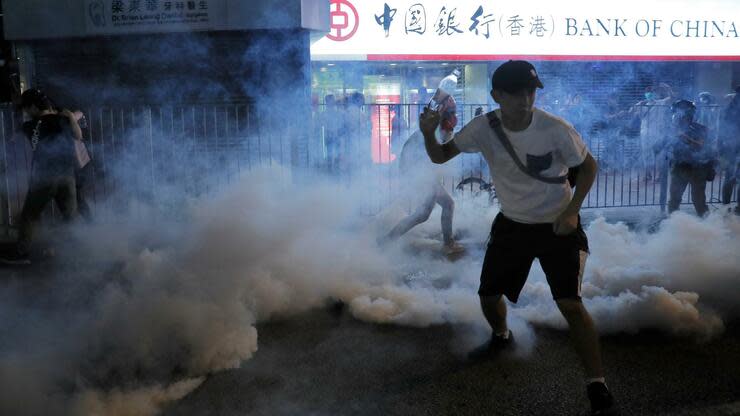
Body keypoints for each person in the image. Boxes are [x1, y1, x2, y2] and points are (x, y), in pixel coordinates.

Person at [419, 60, 616, 416]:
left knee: (570, 304)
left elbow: (588, 167)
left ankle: (597, 385)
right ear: (497, 96)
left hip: (557, 226)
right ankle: (501, 337)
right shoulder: (483, 127)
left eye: (530, 91)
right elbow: (440, 156)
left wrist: (571, 210)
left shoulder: (556, 128)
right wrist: (427, 133)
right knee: (488, 295)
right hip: (511, 224)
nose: (525, 100)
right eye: (515, 93)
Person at [0, 89, 79, 265]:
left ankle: (21, 254)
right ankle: (75, 254)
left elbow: (16, 137)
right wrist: (71, 117)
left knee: (30, 215)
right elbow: (78, 136)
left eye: (27, 109)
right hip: (66, 175)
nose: (26, 112)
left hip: (43, 177)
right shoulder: (62, 119)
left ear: (34, 107)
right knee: (70, 216)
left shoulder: (29, 126)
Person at [380, 95, 463, 255]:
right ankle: (448, 243)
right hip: (421, 175)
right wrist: (420, 178)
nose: (454, 118)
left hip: (423, 175)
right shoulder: (434, 131)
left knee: (425, 213)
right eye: (451, 113)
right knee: (438, 208)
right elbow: (421, 157)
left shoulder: (437, 129)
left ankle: (387, 240)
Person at [656, 100, 716, 217]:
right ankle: (673, 225)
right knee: (674, 199)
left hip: (698, 168)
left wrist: (684, 136)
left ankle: (708, 226)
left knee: (698, 201)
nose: (677, 117)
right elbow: (659, 146)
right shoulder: (672, 129)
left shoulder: (700, 129)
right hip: (679, 166)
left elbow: (700, 145)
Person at [718, 87, 740, 214]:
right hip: (731, 145)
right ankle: (728, 206)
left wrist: (720, 145)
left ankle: (726, 206)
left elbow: (722, 128)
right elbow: (723, 128)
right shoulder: (730, 109)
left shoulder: (729, 108)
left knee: (730, 177)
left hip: (730, 146)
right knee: (731, 177)